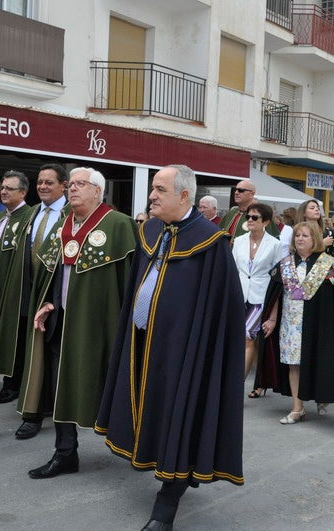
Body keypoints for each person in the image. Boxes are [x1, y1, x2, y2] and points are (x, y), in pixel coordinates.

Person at [96, 164, 244, 530]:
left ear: (184, 195)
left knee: (179, 416)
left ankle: (166, 503)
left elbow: (222, 310)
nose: (152, 196)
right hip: (143, 342)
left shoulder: (211, 243)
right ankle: (165, 463)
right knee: (152, 413)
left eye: (160, 189)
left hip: (183, 351)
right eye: (153, 188)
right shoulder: (150, 230)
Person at [21, 167, 136, 479]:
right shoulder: (63, 225)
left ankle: (132, 444)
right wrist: (48, 301)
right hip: (62, 320)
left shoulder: (119, 224)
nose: (72, 188)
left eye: (80, 184)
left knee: (113, 382)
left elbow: (129, 281)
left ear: (97, 191)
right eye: (70, 184)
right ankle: (65, 453)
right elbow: (53, 273)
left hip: (101, 324)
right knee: (61, 386)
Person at [258, 221, 334, 423]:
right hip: (291, 324)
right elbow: (276, 294)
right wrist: (272, 319)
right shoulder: (285, 264)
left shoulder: (328, 264)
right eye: (297, 235)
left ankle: (322, 395)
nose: (299, 239)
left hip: (319, 324)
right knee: (294, 365)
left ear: (314, 239)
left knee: (318, 360)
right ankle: (297, 408)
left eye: (305, 235)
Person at [5, 163, 70, 440]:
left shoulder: (71, 215)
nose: (42, 186)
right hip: (29, 293)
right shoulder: (32, 213)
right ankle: (33, 410)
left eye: (49, 182)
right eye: (40, 182)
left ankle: (44, 412)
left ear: (63, 186)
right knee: (31, 353)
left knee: (51, 356)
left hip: (56, 298)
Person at [0, 170, 32, 390]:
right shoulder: (0, 216)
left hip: (13, 290)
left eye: (10, 188)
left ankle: (12, 383)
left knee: (12, 338)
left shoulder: (29, 216)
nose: (4, 192)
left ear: (23, 192)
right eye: (2, 188)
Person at [232, 203, 281, 398]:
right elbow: (233, 269)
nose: (250, 220)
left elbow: (278, 279)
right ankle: (260, 382)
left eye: (255, 217)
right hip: (238, 296)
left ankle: (236, 389)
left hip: (260, 298)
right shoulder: (239, 241)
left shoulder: (275, 244)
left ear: (266, 222)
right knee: (250, 342)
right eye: (248, 217)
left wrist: (274, 313)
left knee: (247, 339)